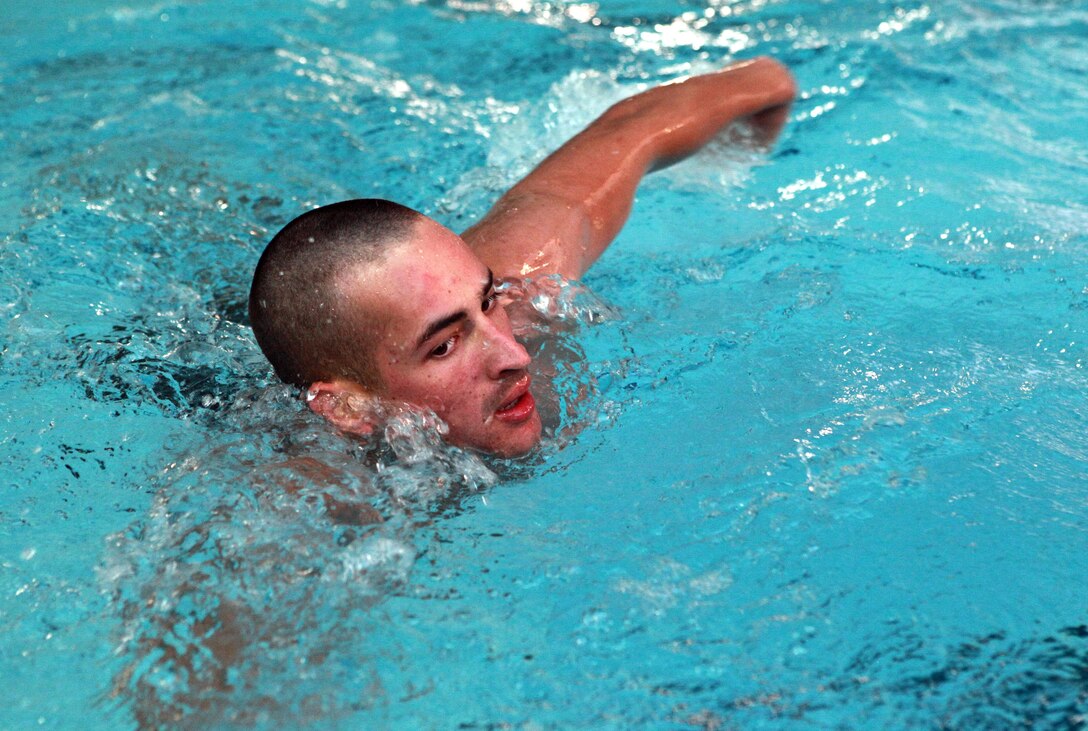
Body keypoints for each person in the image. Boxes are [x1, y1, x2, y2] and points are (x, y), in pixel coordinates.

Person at [249, 57, 796, 457]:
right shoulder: (318, 489)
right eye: (443, 346)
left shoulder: (527, 287)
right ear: (347, 408)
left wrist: (744, 174)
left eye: (488, 302)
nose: (514, 354)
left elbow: (648, 124)